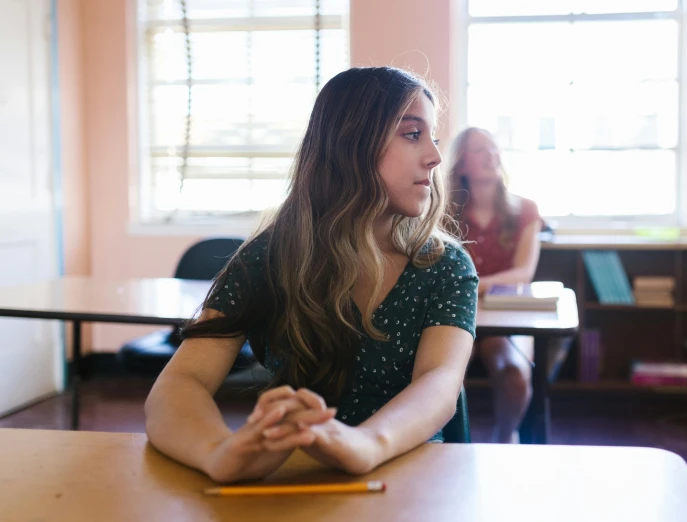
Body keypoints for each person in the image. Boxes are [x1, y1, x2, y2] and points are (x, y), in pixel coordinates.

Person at [144, 67, 479, 484]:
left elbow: (440, 382)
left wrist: (366, 443)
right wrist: (218, 452)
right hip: (302, 478)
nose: (435, 156)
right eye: (413, 134)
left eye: (433, 137)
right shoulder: (268, 257)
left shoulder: (444, 264)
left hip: (416, 478)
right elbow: (181, 383)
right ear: (350, 144)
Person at [447, 127, 543, 444]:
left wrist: (472, 284)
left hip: (505, 318)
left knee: (514, 373)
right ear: (460, 165)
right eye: (479, 150)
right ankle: (451, 447)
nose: (491, 155)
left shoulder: (526, 210)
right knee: (443, 374)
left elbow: (523, 273)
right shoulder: (443, 213)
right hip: (457, 314)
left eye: (494, 148)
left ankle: (505, 440)